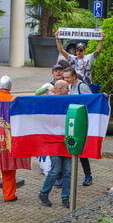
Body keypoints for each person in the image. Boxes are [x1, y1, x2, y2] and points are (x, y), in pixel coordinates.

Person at [39, 80, 71, 208]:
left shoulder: (70, 100)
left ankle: (65, 198)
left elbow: (86, 100)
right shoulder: (49, 100)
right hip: (54, 142)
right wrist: (17, 100)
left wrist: (102, 96)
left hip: (68, 141)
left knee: (67, 172)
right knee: (55, 170)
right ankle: (43, 193)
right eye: (66, 88)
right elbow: (34, 100)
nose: (68, 90)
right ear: (59, 89)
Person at [63, 68, 93, 186]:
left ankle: (88, 175)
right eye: (64, 78)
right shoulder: (69, 87)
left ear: (75, 76)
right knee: (73, 148)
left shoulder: (82, 86)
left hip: (81, 121)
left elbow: (91, 100)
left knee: (82, 151)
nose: (66, 80)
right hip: (72, 121)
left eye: (68, 77)